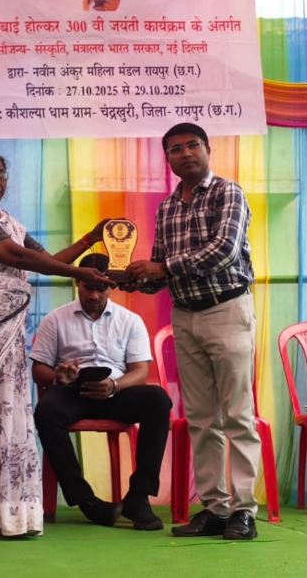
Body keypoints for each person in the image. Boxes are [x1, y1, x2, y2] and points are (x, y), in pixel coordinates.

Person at [0, 151, 115, 542]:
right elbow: (14, 256)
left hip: (5, 333)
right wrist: (78, 270)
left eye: (2, 174)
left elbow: (43, 260)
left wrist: (89, 241)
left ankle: (7, 513)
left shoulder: (8, 223)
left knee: (7, 413)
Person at [125, 122, 260, 541]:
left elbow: (224, 251)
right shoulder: (166, 207)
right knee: (201, 417)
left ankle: (244, 511)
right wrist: (134, 278)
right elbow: (159, 266)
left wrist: (161, 268)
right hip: (185, 316)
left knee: (237, 414)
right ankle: (215, 509)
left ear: (207, 149)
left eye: (192, 146)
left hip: (226, 309)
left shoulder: (228, 192)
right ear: (166, 158)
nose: (185, 154)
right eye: (175, 149)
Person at [30, 253, 172, 531]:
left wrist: (115, 386)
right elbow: (39, 371)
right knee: (46, 410)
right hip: (73, 392)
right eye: (87, 286)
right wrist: (59, 375)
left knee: (158, 400)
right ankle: (86, 501)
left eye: (101, 287)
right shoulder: (55, 320)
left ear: (112, 286)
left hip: (116, 392)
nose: (94, 294)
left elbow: (140, 372)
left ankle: (139, 497)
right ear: (77, 283)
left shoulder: (130, 320)